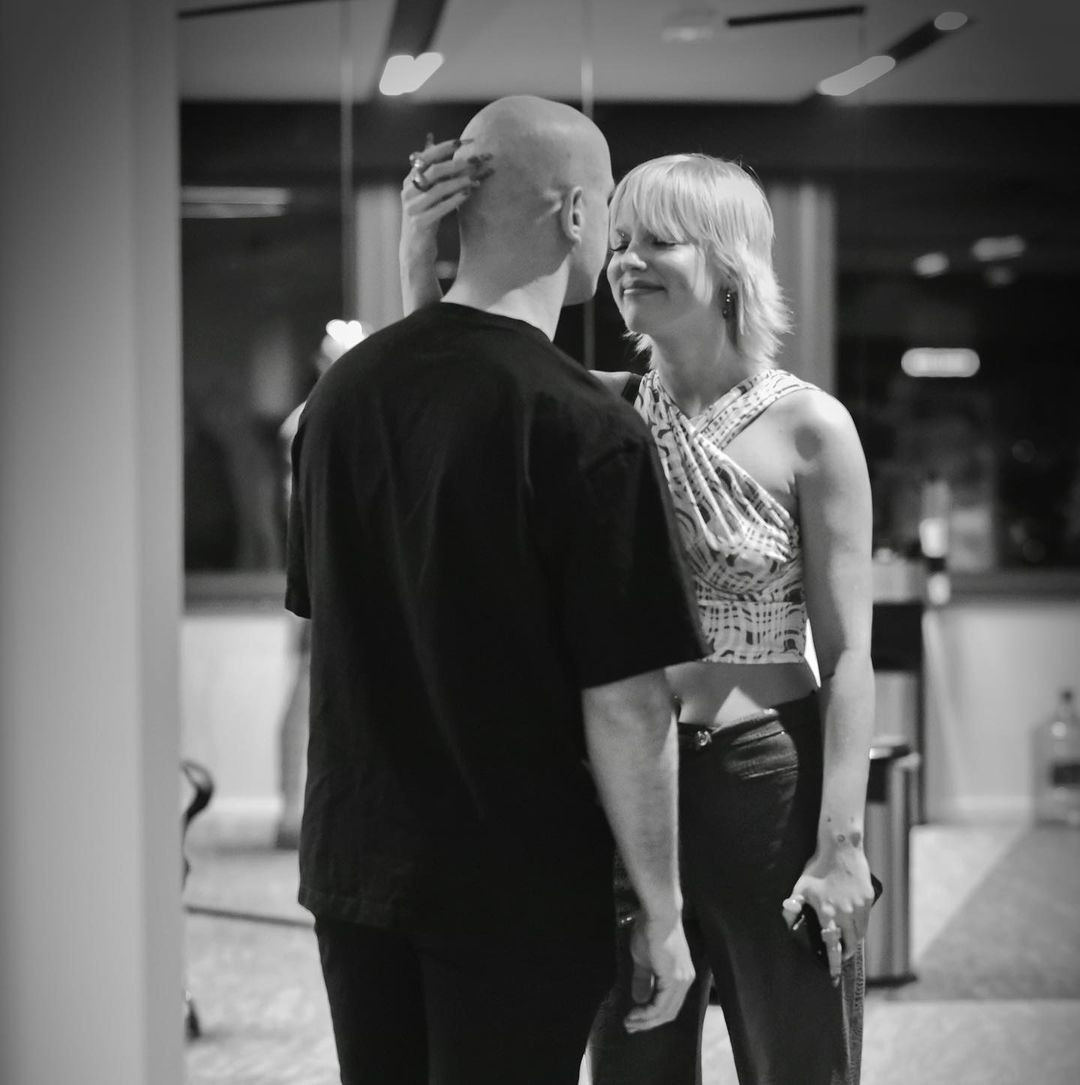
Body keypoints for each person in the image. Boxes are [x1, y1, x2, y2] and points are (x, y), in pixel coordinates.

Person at [401, 147, 876, 1085]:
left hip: (763, 780)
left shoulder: (811, 428)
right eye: (619, 241)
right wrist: (421, 255)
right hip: (625, 787)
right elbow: (447, 381)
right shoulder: (598, 409)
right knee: (632, 1061)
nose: (627, 261)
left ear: (730, 262)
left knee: (800, 1060)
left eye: (660, 240)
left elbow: (851, 650)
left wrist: (842, 842)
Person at [286, 96, 710, 1085]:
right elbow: (626, 700)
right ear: (576, 213)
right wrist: (663, 907)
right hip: (510, 882)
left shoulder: (341, 396)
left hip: (354, 865)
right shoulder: (582, 422)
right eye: (609, 209)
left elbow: (338, 609)